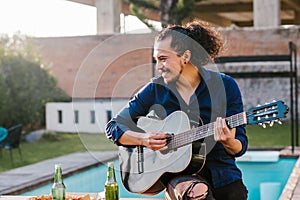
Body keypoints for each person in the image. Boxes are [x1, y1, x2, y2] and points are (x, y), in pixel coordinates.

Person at [105, 20, 248, 200]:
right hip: (180, 178)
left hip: (223, 175)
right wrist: (144, 139)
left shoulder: (225, 86)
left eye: (163, 59)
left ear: (185, 56)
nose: (158, 66)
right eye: (156, 60)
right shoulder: (154, 89)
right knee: (196, 193)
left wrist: (229, 141)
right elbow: (113, 126)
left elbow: (240, 145)